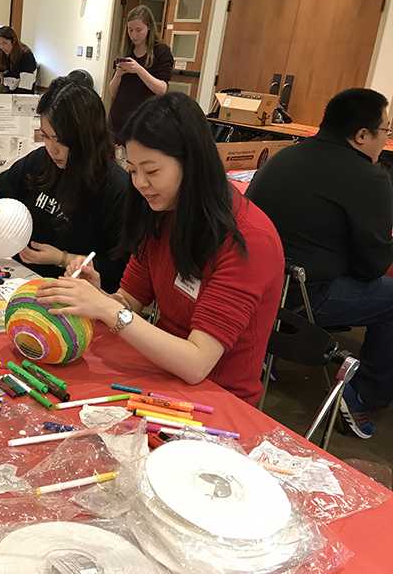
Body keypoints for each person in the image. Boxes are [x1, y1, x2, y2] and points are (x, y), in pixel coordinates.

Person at [37, 93, 284, 405]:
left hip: (215, 399)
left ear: (192, 163)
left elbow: (196, 363)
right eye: (132, 170)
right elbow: (129, 301)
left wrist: (107, 309)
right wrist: (98, 296)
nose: (140, 183)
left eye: (152, 171)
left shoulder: (248, 239)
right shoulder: (161, 213)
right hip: (158, 374)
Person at [247, 88, 393, 438]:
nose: (386, 140)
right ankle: (361, 397)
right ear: (361, 135)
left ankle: (272, 353)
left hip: (258, 291)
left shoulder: (287, 156)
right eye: (385, 131)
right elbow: (372, 267)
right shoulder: (369, 177)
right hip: (304, 298)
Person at [0, 77, 130, 292]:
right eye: (46, 137)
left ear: (86, 137)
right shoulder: (41, 160)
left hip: (68, 294)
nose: (52, 149)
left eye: (60, 140)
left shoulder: (115, 187)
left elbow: (116, 271)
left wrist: (61, 258)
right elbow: (0, 185)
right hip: (16, 277)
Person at [109, 6, 173, 140]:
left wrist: (138, 69)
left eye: (138, 30)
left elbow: (162, 89)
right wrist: (118, 74)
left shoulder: (161, 51)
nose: (133, 35)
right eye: (130, 30)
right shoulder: (126, 51)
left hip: (144, 122)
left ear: (148, 27)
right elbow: (112, 92)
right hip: (118, 121)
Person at [0, 26, 37, 94]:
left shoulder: (26, 55)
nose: (2, 47)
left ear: (13, 41)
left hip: (22, 94)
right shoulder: (1, 54)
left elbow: (25, 86)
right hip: (8, 91)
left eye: (5, 43)